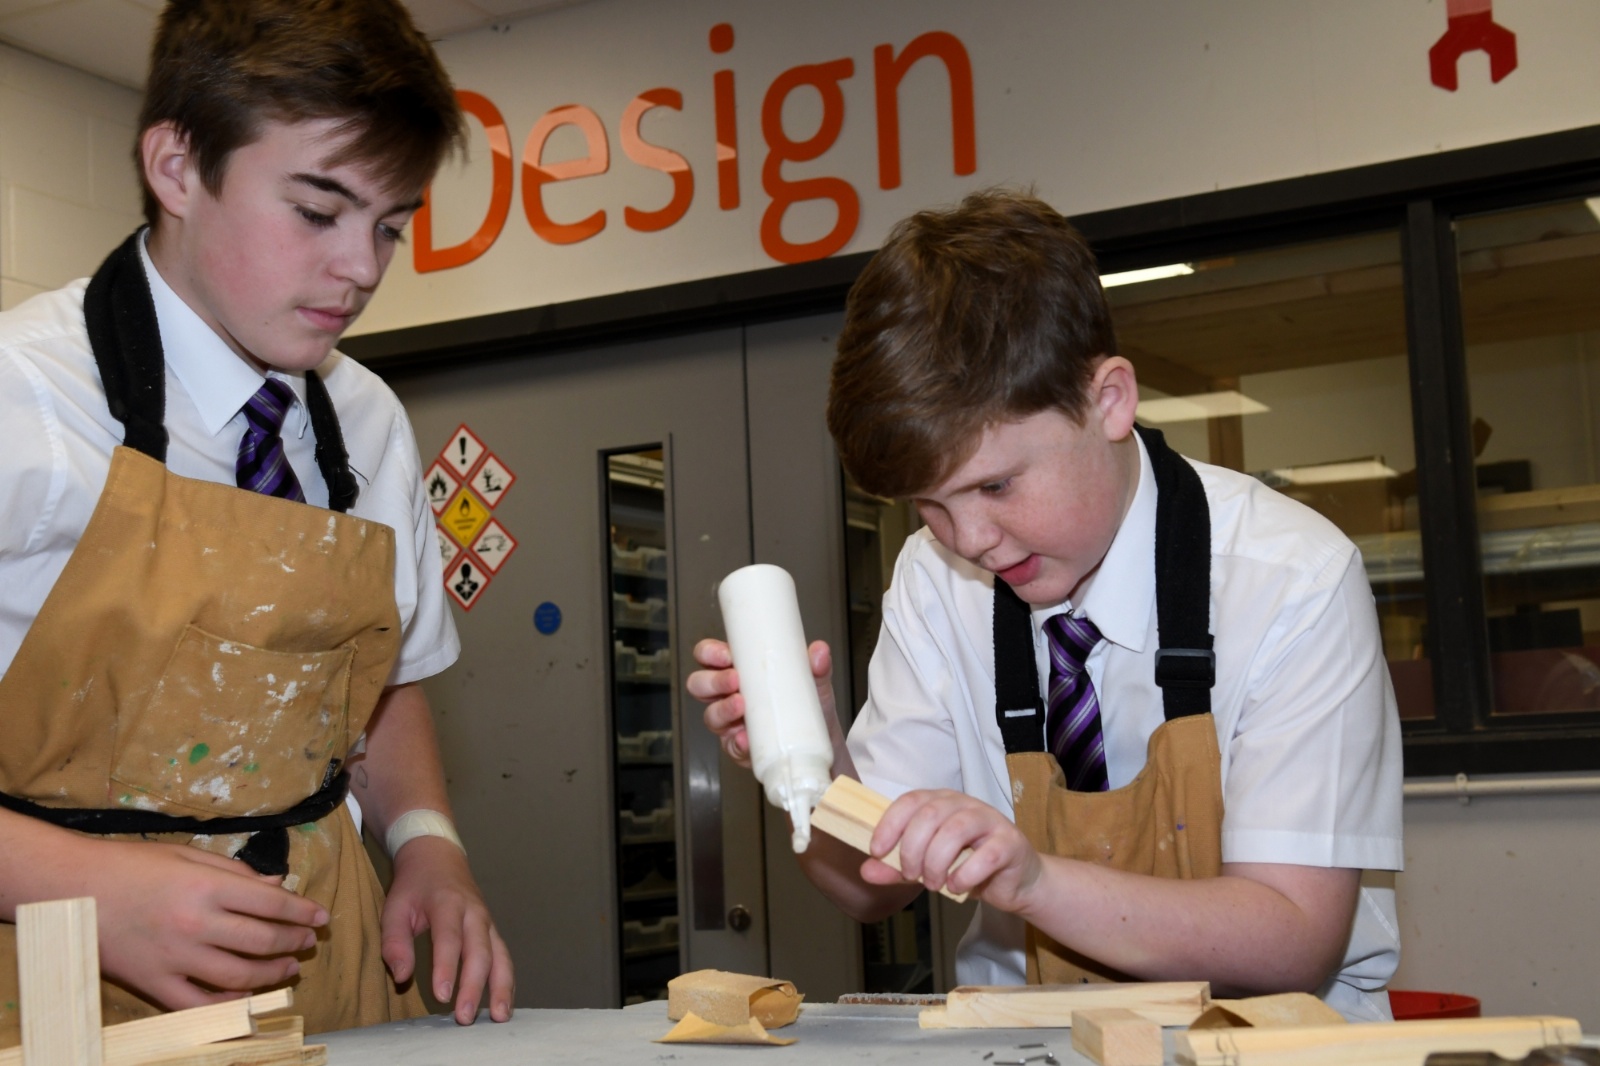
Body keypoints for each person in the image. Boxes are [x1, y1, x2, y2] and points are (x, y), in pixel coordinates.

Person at [689, 189, 1404, 1020]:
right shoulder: (934, 579)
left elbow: (1292, 937)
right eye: (929, 504)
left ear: (1109, 401)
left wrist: (1033, 881)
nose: (970, 540)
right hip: (1022, 1041)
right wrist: (816, 766)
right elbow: (871, 886)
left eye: (995, 486)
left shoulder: (1292, 580)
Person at [0, 0, 513, 1044]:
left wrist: (427, 843)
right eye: (319, 212)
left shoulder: (367, 418)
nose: (362, 269)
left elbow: (385, 682)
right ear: (176, 167)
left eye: (390, 225)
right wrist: (81, 883)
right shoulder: (23, 399)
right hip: (60, 980)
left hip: (328, 969)